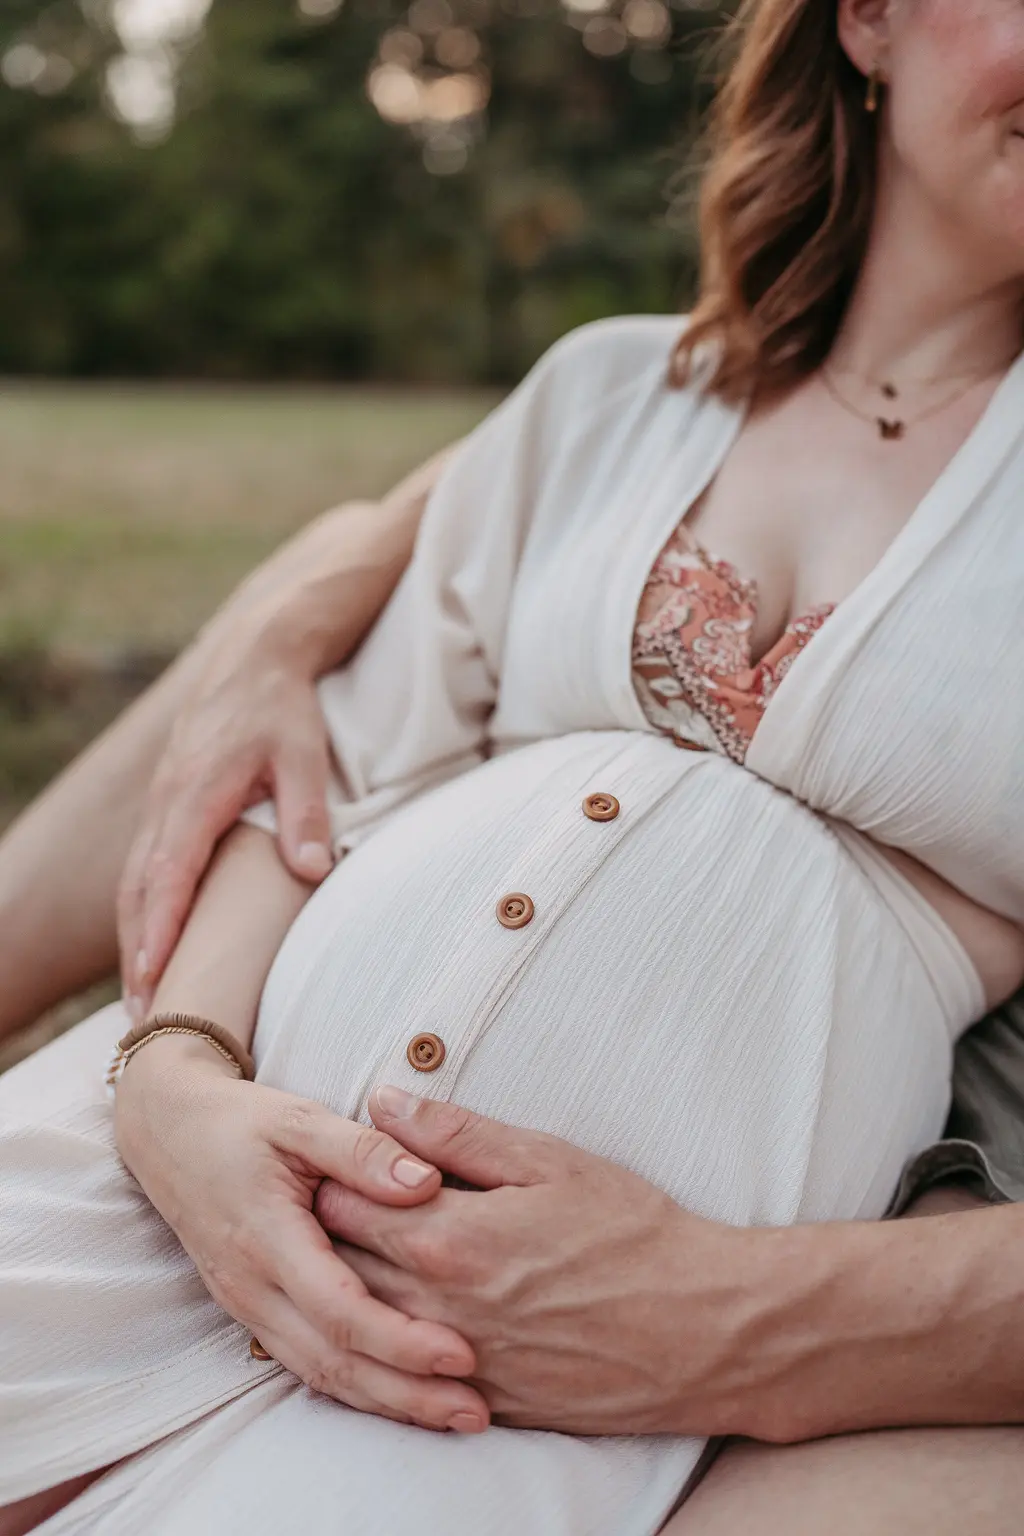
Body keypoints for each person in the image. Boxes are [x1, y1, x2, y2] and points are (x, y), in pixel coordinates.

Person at [3, 0, 1024, 1531]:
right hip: (174, 1176)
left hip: (524, 1356)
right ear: (869, 20)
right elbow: (328, 766)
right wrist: (182, 1081)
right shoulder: (609, 397)